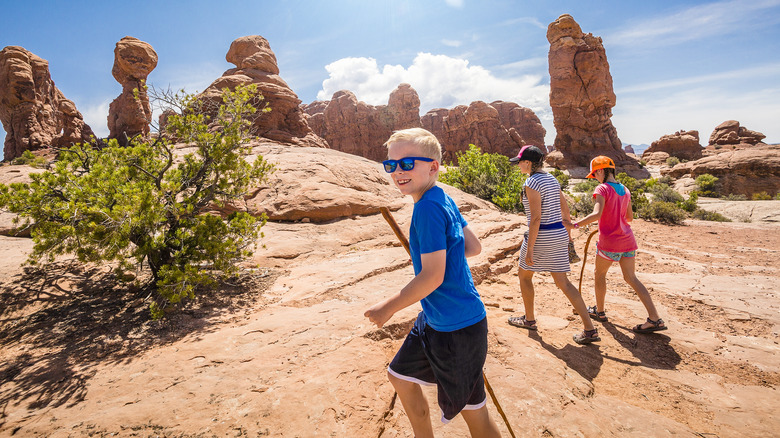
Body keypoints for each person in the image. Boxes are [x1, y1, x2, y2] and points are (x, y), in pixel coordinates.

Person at [364, 128, 501, 437]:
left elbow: (432, 276)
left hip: (457, 329)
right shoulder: (442, 197)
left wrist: (389, 307)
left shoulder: (426, 208)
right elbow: (473, 247)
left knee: (475, 414)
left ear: (433, 166)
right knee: (400, 375)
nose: (398, 171)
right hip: (438, 319)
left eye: (407, 163)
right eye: (391, 165)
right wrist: (448, 253)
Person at [506, 145, 600, 345]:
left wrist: (530, 247)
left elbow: (536, 218)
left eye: (520, 162)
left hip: (542, 236)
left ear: (528, 163)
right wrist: (568, 232)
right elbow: (564, 205)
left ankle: (529, 320)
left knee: (524, 276)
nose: (518, 166)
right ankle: (589, 329)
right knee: (564, 283)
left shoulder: (531, 182)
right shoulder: (552, 179)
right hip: (557, 234)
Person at [570, 156, 667, 333]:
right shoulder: (625, 189)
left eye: (595, 174)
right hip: (628, 241)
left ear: (600, 171)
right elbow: (629, 218)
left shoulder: (602, 188)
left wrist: (574, 224)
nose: (595, 178)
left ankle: (599, 312)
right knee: (631, 278)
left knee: (599, 275)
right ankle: (654, 318)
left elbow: (597, 214)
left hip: (609, 243)